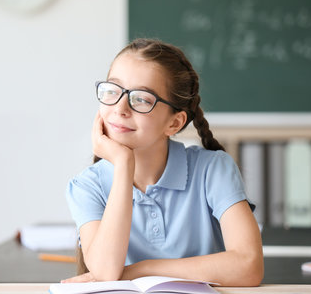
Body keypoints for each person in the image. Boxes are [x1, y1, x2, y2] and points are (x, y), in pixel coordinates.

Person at [64, 38, 263, 286]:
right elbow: (105, 272)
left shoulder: (213, 169)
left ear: (174, 123)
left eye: (142, 99)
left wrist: (141, 270)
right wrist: (124, 164)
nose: (120, 108)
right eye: (112, 91)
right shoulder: (87, 185)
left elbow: (249, 266)